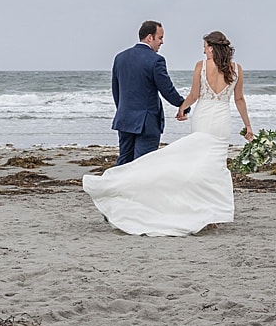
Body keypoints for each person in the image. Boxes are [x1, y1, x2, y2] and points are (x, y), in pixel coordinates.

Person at [84, 30, 255, 237]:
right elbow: (239, 100)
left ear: (211, 46)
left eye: (204, 46)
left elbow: (194, 95)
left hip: (202, 117)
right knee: (214, 165)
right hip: (222, 120)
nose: (202, 50)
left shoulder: (201, 66)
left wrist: (182, 108)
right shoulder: (236, 69)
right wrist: (248, 126)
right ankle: (212, 213)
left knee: (195, 164)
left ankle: (121, 195)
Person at [110, 20, 189, 166]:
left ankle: (117, 188)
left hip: (125, 118)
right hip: (147, 122)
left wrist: (123, 109)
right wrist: (183, 105)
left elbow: (116, 90)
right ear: (149, 37)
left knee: (123, 162)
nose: (162, 42)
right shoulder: (156, 60)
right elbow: (167, 89)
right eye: (160, 37)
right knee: (144, 164)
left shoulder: (120, 58)